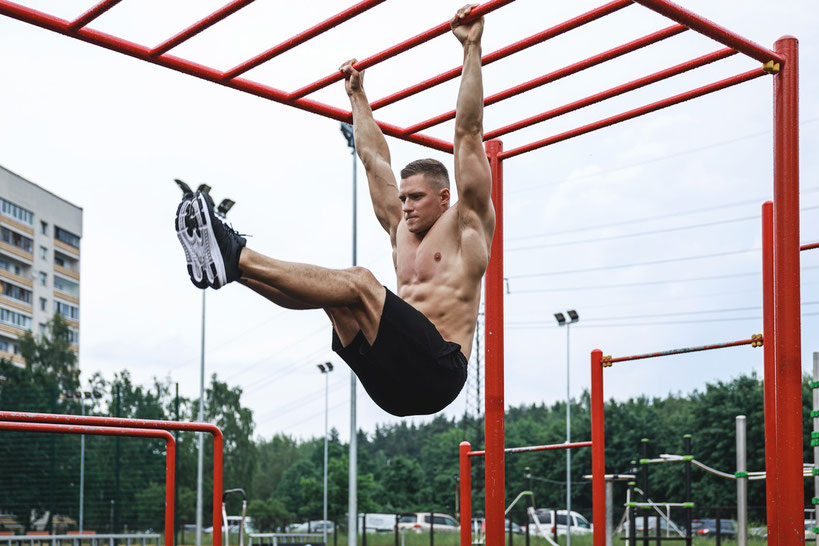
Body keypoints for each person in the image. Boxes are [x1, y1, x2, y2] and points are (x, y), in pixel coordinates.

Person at [175, 4, 494, 417]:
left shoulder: (467, 225)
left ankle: (235, 253)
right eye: (404, 197)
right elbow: (374, 160)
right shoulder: (399, 229)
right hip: (392, 386)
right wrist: (358, 98)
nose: (406, 205)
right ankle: (232, 270)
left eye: (416, 197)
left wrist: (472, 47)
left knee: (360, 281)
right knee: (337, 299)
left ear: (445, 197)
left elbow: (468, 133)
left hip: (439, 374)